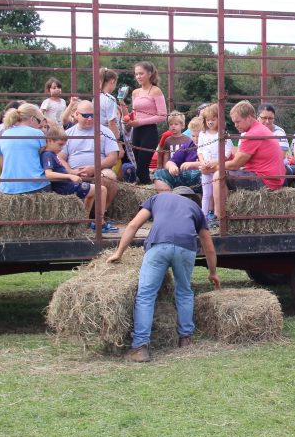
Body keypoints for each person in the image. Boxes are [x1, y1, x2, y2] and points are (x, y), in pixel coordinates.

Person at [107, 189, 222, 362]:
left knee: (146, 295)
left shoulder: (158, 198)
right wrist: (213, 273)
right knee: (184, 292)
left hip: (158, 245)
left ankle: (140, 347)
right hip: (186, 248)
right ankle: (185, 339)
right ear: (192, 199)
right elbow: (209, 246)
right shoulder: (196, 209)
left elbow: (133, 225)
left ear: (174, 194)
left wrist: (119, 252)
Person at [208, 101, 286, 227]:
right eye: (234, 122)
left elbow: (235, 165)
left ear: (249, 118)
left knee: (218, 175)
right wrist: (217, 163)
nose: (235, 125)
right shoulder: (259, 130)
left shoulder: (252, 134)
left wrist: (214, 166)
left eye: (238, 121)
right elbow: (238, 160)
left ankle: (219, 219)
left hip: (265, 181)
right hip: (272, 178)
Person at [60, 100, 120, 231]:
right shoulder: (68, 134)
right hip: (75, 173)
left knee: (109, 176)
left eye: (93, 115)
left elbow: (113, 157)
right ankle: (83, 219)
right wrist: (70, 171)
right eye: (86, 115)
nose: (90, 119)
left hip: (100, 170)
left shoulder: (105, 131)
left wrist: (94, 168)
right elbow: (60, 158)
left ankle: (99, 217)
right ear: (76, 115)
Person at [42, 126, 109, 221]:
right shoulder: (48, 155)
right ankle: (100, 221)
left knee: (94, 191)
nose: (61, 148)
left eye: (63, 145)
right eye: (60, 144)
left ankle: (85, 219)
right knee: (102, 189)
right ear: (49, 141)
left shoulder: (52, 154)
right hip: (66, 187)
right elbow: (48, 174)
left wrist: (74, 174)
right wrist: (70, 176)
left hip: (67, 185)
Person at [123, 61, 166, 185]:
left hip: (149, 131)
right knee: (137, 165)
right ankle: (142, 187)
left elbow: (163, 116)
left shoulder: (156, 91)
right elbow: (135, 112)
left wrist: (140, 122)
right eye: (136, 74)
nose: (138, 77)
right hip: (136, 131)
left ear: (150, 73)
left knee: (143, 166)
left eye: (141, 73)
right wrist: (128, 118)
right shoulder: (135, 92)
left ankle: (148, 188)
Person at [0, 103, 50, 195]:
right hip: (35, 185)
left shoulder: (5, 134)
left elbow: (1, 161)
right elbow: (44, 155)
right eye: (39, 121)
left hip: (7, 187)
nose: (39, 125)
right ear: (32, 119)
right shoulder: (37, 133)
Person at [196, 104, 233, 226]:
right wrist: (202, 163)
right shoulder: (203, 134)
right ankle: (203, 216)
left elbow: (227, 152)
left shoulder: (223, 134)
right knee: (206, 194)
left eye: (213, 119)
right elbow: (200, 150)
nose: (210, 122)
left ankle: (216, 215)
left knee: (215, 193)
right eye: (208, 120)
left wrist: (216, 162)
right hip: (206, 168)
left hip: (217, 167)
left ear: (219, 119)